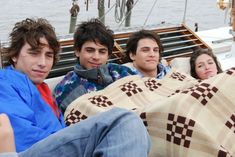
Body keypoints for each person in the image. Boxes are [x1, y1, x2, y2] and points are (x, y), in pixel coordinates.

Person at [0, 18, 150, 157]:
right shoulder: (4, 83)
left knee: (140, 134)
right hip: (32, 150)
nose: (43, 63)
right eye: (34, 53)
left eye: (49, 55)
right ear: (14, 55)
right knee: (123, 120)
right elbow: (23, 137)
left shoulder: (43, 90)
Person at [53, 18, 137, 114]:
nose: (96, 57)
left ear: (108, 55)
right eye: (90, 50)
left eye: (102, 51)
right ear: (77, 51)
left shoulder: (122, 72)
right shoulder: (66, 88)